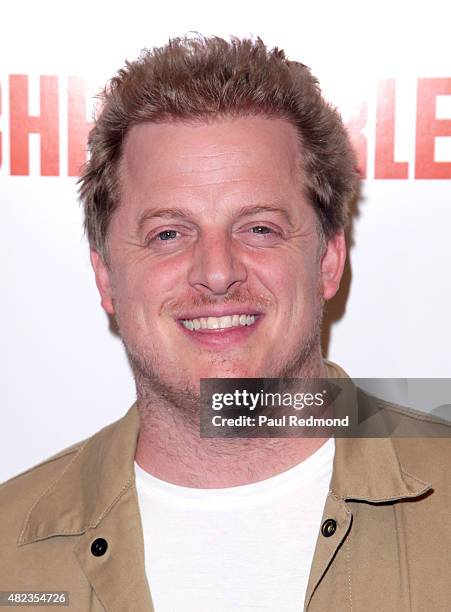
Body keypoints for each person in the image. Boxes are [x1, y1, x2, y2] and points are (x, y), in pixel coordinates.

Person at [1, 35, 450, 612]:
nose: (216, 273)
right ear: (107, 279)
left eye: (258, 228)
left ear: (329, 262)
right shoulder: (10, 548)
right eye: (169, 233)